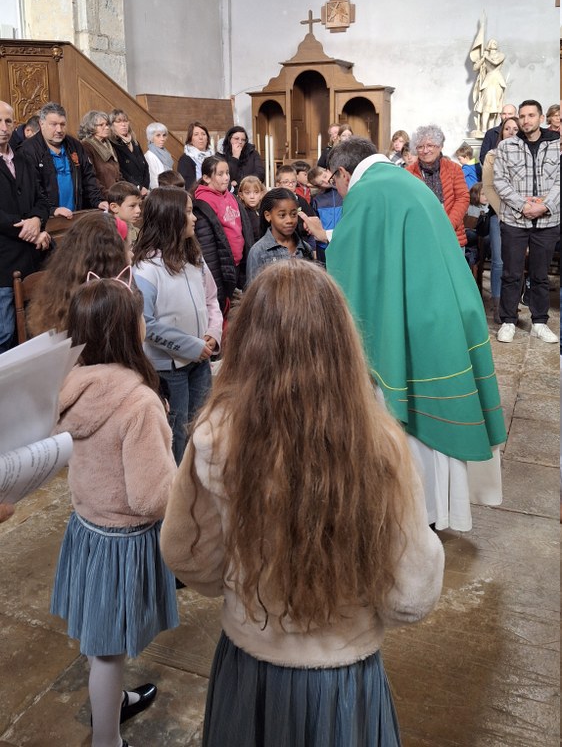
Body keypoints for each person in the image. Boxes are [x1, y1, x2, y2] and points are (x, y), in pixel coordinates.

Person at [160, 262, 444, 747]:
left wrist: (245, 587)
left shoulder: (215, 436)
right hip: (344, 681)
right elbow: (411, 595)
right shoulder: (380, 445)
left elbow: (188, 555)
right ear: (342, 342)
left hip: (252, 668)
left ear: (249, 340)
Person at [323, 136, 506, 532]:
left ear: (342, 172)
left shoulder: (368, 192)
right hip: (441, 308)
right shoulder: (402, 180)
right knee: (436, 410)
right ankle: (441, 510)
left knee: (414, 420)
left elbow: (348, 263)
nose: (338, 191)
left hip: (414, 318)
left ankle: (419, 513)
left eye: (334, 183)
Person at [50, 274, 178, 747]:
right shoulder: (137, 401)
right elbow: (150, 496)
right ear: (129, 329)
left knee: (99, 640)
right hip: (123, 540)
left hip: (86, 528)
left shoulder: (70, 385)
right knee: (108, 650)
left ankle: (111, 702)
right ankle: (108, 739)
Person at [133, 187, 222, 465]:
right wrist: (192, 346)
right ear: (169, 217)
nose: (194, 218)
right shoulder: (147, 268)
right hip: (169, 368)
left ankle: (197, 477)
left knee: (201, 424)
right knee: (176, 432)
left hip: (200, 361)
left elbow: (211, 299)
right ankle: (175, 483)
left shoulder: (193, 257)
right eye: (188, 212)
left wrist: (213, 333)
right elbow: (146, 323)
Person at [493, 100, 560, 344]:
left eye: (531, 115)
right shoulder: (506, 146)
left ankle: (540, 322)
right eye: (522, 116)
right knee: (511, 273)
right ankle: (508, 321)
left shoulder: (556, 145)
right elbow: (499, 180)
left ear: (541, 118)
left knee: (540, 275)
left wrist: (544, 206)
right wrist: (523, 206)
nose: (526, 120)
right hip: (514, 220)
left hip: (547, 221)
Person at [0, 100, 51, 352]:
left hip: (31, 259)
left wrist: (37, 221)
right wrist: (29, 231)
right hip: (4, 262)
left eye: (8, 121)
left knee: (35, 332)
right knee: (5, 333)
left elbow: (42, 200)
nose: (3, 127)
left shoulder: (23, 159)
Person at [27, 211, 128, 336]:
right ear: (112, 259)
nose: (131, 254)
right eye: (127, 248)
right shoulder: (106, 303)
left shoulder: (60, 291)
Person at [19, 101, 108, 216]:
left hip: (76, 215)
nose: (59, 130)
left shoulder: (75, 146)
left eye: (62, 124)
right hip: (47, 218)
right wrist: (52, 210)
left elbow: (88, 177)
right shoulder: (27, 150)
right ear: (41, 124)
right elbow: (32, 189)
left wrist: (97, 201)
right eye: (53, 124)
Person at [193, 156, 254, 314]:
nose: (226, 177)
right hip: (221, 268)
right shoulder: (203, 203)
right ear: (206, 178)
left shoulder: (231, 196)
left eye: (227, 173)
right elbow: (208, 248)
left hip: (237, 265)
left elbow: (243, 229)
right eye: (220, 174)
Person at [481, 116, 520, 323]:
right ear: (501, 132)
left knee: (516, 262)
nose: (511, 132)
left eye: (516, 129)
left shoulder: (525, 156)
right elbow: (489, 188)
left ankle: (511, 305)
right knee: (498, 262)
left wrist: (521, 211)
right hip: (499, 215)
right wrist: (505, 213)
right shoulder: (492, 155)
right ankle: (497, 306)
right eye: (507, 128)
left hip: (522, 216)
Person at [408, 125, 469, 247]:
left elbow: (462, 198)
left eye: (430, 145)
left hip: (452, 234)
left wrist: (448, 225)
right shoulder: (408, 173)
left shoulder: (454, 169)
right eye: (420, 147)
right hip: (422, 237)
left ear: (440, 146)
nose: (425, 150)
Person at [246, 188, 313, 282]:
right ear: (268, 216)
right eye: (282, 215)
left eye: (293, 214)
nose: (289, 220)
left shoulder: (305, 248)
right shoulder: (258, 252)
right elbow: (253, 288)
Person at [79, 110, 121, 197]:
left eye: (107, 124)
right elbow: (91, 177)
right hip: (101, 197)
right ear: (91, 127)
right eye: (101, 125)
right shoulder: (86, 146)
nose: (107, 128)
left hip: (115, 195)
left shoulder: (109, 146)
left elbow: (118, 174)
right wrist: (107, 195)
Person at [470, 37, 507, 134]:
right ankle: (483, 129)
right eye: (492, 42)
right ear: (488, 45)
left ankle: (491, 131)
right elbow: (475, 68)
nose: (494, 43)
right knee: (486, 106)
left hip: (497, 81)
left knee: (494, 108)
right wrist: (482, 58)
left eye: (495, 42)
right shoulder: (485, 56)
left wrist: (486, 57)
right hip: (488, 81)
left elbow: (496, 62)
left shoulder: (501, 55)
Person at [109, 109, 150, 196]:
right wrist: (138, 187)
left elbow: (145, 166)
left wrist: (145, 186)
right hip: (127, 190)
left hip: (143, 189)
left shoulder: (135, 142)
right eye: (118, 121)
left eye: (125, 121)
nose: (123, 124)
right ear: (112, 125)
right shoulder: (112, 144)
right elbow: (120, 170)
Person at [220, 126, 265, 190]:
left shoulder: (253, 153)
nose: (240, 142)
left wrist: (239, 182)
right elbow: (225, 178)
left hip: (250, 190)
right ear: (229, 139)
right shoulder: (221, 155)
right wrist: (235, 157)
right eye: (236, 139)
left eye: (243, 140)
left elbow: (260, 174)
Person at [177, 121, 213, 189]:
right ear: (190, 139)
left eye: (203, 134)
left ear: (207, 138)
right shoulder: (185, 159)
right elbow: (185, 186)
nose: (201, 137)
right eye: (196, 134)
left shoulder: (214, 157)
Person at [107, 181, 142, 249]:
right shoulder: (106, 235)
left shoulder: (137, 233)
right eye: (132, 206)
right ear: (114, 207)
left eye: (139, 205)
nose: (139, 210)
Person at [236, 175, 266, 244]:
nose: (252, 197)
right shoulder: (241, 214)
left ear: (261, 194)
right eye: (247, 193)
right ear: (241, 195)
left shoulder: (264, 211)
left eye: (256, 192)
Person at [145, 122, 173, 189]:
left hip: (169, 188)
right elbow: (153, 180)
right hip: (159, 191)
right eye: (158, 135)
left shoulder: (166, 153)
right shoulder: (149, 156)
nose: (162, 139)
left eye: (164, 135)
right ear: (151, 137)